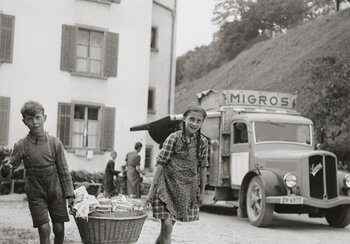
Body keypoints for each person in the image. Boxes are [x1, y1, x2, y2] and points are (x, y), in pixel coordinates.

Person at [0, 101, 74, 244]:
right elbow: (10, 169)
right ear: (24, 122)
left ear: (44, 118)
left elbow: (64, 170)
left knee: (59, 228)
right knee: (44, 228)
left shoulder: (55, 143)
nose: (34, 122)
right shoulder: (21, 145)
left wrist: (69, 193)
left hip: (56, 190)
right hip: (35, 191)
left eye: (38, 117)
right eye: (30, 119)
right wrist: (5, 168)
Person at [146, 105, 209, 244]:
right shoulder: (173, 138)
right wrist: (151, 190)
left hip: (186, 190)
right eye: (192, 119)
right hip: (166, 186)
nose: (195, 123)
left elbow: (203, 166)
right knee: (167, 226)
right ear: (184, 119)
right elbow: (160, 163)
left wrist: (202, 192)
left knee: (167, 229)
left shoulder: (203, 142)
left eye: (199, 121)